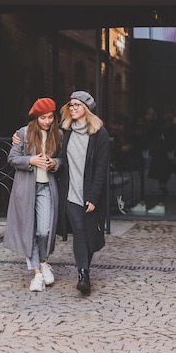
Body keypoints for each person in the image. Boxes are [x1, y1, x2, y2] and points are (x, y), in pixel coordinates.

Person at [4, 98, 63, 292]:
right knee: (30, 230)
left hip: (47, 188)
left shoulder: (58, 134)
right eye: (43, 118)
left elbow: (63, 159)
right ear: (36, 118)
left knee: (44, 230)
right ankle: (37, 273)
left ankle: (44, 261)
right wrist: (31, 160)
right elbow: (12, 158)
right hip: (27, 189)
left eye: (50, 117)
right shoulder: (24, 133)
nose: (46, 121)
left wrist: (55, 163)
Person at [57, 91, 109, 296]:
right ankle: (83, 275)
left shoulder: (99, 134)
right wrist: (19, 136)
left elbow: (101, 169)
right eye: (70, 105)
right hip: (69, 192)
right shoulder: (64, 131)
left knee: (88, 233)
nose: (72, 108)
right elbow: (41, 134)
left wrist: (94, 197)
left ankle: (84, 270)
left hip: (89, 193)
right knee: (79, 230)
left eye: (77, 105)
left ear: (87, 108)